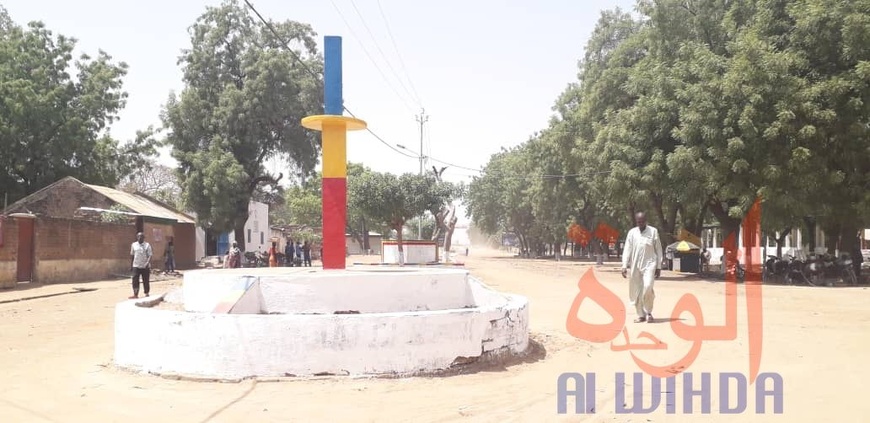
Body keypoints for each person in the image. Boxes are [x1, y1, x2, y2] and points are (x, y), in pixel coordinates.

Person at [621, 212, 663, 323]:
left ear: (646, 220)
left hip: (650, 263)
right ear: (636, 221)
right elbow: (627, 249)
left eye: (642, 221)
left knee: (648, 286)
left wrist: (659, 266)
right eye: (638, 222)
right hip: (635, 264)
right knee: (637, 290)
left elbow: (658, 249)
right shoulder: (632, 233)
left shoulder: (653, 231)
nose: (640, 223)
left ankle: (648, 312)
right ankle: (641, 314)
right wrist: (624, 265)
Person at [130, 232, 153, 299]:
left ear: (144, 238)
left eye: (142, 237)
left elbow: (150, 255)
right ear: (137, 237)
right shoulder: (134, 245)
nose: (140, 238)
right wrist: (131, 265)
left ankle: (146, 293)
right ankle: (135, 294)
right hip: (136, 265)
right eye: (139, 236)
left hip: (145, 266)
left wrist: (147, 263)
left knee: (145, 280)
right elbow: (132, 255)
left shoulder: (147, 245)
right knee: (135, 280)